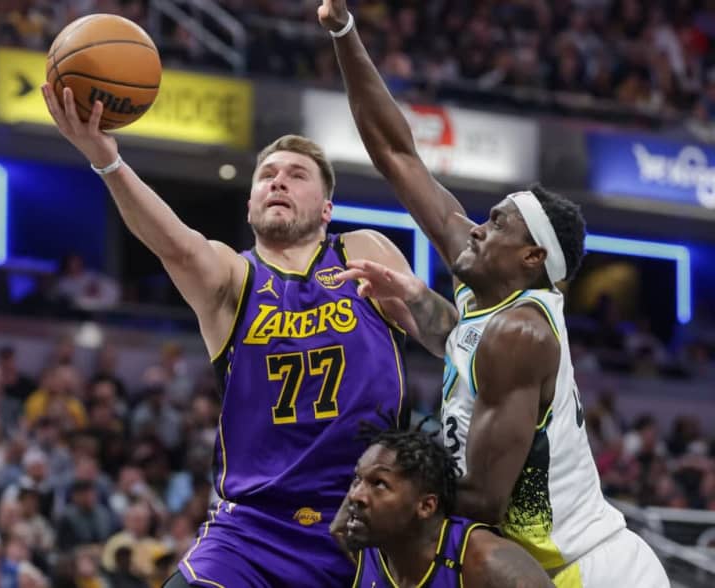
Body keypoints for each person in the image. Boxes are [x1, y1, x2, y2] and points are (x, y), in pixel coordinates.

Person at [41, 83, 454, 587]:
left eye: (296, 175)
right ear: (250, 205)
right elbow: (176, 245)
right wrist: (108, 162)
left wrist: (414, 295)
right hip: (253, 528)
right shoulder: (234, 277)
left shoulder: (363, 251)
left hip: (364, 521)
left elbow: (452, 342)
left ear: (326, 209)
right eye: (267, 175)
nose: (278, 181)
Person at [317, 1, 670, 586]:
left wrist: (384, 499)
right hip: (530, 566)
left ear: (532, 258)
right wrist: (343, 31)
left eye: (500, 223)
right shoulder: (482, 279)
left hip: (588, 570)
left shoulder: (520, 332)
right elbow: (397, 154)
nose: (478, 226)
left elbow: (481, 498)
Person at [346, 423, 552, 587]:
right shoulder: (368, 544)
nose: (356, 496)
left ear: (426, 506)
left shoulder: (488, 564)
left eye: (379, 484)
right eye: (357, 479)